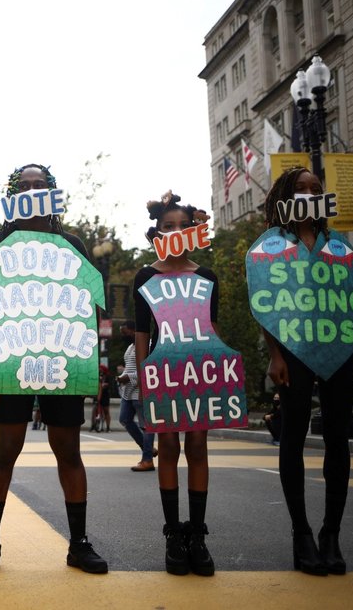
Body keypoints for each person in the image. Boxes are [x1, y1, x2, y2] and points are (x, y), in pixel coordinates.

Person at [0, 164, 108, 575]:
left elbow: (91, 309)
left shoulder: (73, 245)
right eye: (24, 186)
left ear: (53, 192)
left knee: (69, 452)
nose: (32, 191)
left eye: (40, 185)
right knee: (5, 452)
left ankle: (79, 543)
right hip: (11, 360)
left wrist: (93, 366)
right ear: (12, 194)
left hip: (63, 362)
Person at [257, 167, 353, 575]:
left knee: (337, 439)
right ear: (286, 196)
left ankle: (331, 535)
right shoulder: (272, 246)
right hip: (293, 351)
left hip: (339, 351)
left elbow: (351, 300)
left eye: (316, 189)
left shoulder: (337, 244)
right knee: (293, 435)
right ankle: (302, 534)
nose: (309, 193)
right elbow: (266, 302)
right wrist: (275, 355)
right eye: (301, 188)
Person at [134, 191, 216, 577]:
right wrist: (143, 377)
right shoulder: (146, 276)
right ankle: (173, 535)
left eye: (184, 225)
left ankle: (197, 535)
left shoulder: (206, 276)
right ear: (157, 233)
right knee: (167, 446)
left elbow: (213, 328)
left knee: (197, 445)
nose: (177, 231)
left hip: (199, 368)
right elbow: (140, 333)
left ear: (195, 229)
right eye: (169, 226)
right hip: (162, 368)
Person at [117, 320, 156, 471]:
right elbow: (130, 366)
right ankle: (148, 449)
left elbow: (149, 367)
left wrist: (130, 378)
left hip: (141, 391)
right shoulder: (130, 346)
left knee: (146, 425)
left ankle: (147, 460)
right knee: (124, 419)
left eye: (125, 332)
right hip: (128, 392)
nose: (124, 335)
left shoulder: (148, 344)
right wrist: (121, 377)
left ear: (134, 330)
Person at [91, 365, 112, 432]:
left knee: (106, 411)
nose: (100, 370)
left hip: (105, 395)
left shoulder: (108, 376)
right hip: (97, 394)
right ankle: (93, 425)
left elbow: (109, 385)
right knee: (94, 411)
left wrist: (104, 385)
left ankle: (108, 427)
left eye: (101, 369)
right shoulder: (96, 376)